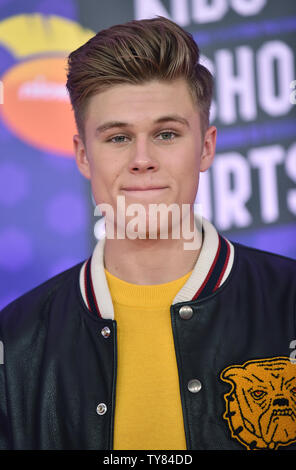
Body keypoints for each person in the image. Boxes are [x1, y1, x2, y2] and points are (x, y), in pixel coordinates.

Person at [0, 16, 296, 452]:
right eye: (118, 138)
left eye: (166, 133)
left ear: (207, 146)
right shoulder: (15, 341)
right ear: (83, 155)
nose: (142, 159)